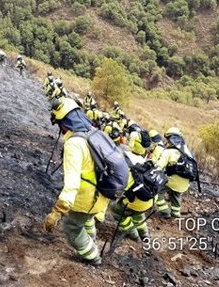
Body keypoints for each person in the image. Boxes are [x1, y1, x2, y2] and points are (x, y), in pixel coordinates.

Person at [43, 97, 109, 266]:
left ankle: (93, 257)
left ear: (63, 123)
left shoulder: (74, 144)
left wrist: (57, 213)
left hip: (86, 198)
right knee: (87, 220)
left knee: (72, 227)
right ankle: (91, 239)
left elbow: (72, 184)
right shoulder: (95, 133)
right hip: (102, 195)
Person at [111, 151, 155, 243]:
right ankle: (145, 235)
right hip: (149, 203)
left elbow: (120, 193)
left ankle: (133, 234)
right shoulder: (148, 170)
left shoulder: (131, 175)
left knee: (117, 212)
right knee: (138, 216)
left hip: (135, 205)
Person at [155, 127, 192, 219]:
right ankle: (175, 213)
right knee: (176, 195)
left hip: (172, 181)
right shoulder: (186, 150)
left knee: (157, 192)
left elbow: (158, 167)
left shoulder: (168, 152)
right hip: (184, 184)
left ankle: (165, 211)